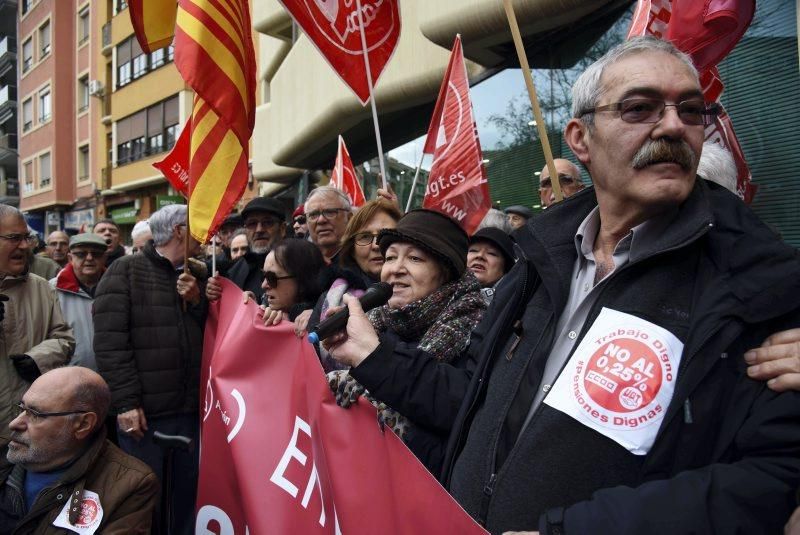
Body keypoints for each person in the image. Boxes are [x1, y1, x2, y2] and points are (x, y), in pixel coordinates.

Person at [325, 37, 800, 534]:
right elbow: (468, 401)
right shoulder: (537, 265)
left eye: (691, 109)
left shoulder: (754, 285)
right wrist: (372, 354)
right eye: (640, 108)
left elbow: (770, 479)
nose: (674, 125)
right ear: (580, 138)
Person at [326, 209, 486, 476]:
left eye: (414, 258)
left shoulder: (480, 327)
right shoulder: (374, 322)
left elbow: (465, 420)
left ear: (445, 272)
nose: (395, 269)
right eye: (390, 257)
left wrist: (394, 428)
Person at [93, 204, 205, 535]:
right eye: (196, 226)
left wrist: (198, 301)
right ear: (178, 231)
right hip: (145, 418)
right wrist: (126, 404)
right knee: (145, 499)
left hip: (188, 411)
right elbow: (111, 344)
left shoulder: (195, 274)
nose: (205, 234)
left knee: (187, 499)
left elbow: (209, 334)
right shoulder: (124, 271)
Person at [0, 367, 158, 533]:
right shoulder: (5, 458)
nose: (15, 423)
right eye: (21, 407)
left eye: (36, 414)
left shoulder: (128, 485)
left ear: (83, 425)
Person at [0, 205, 74, 468]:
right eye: (13, 238)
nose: (23, 246)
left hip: (31, 432)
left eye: (26, 238)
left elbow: (64, 338)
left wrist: (37, 358)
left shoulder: (41, 287)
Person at [309, 199, 402, 371]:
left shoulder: (424, 296)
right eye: (365, 237)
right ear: (351, 249)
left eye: (387, 234)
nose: (376, 245)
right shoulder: (329, 298)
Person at [207, 197, 286, 304]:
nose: (259, 230)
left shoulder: (297, 263)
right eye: (252, 224)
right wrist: (214, 296)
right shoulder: (236, 270)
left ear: (282, 229)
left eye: (267, 222)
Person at [49, 233, 107, 371]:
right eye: (81, 254)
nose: (89, 258)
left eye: (96, 254)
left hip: (113, 377)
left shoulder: (118, 287)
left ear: (105, 258)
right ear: (70, 258)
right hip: (69, 379)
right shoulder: (52, 289)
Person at [258, 238, 325, 324]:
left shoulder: (324, 321)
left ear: (302, 281)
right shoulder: (263, 308)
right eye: (263, 276)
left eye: (271, 278)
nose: (263, 285)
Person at [467, 227, 515, 305]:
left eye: (491, 253)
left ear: (506, 268)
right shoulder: (444, 291)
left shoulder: (510, 307)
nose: (480, 255)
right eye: (473, 250)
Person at [305, 186, 352, 263]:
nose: (321, 220)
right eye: (313, 214)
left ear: (349, 218)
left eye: (330, 212)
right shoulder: (296, 263)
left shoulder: (365, 262)